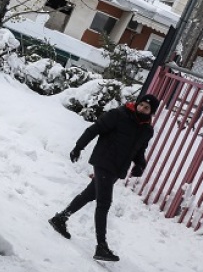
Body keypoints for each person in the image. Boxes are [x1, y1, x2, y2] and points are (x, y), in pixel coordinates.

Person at [47, 94, 159, 262]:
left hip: (117, 169)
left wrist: (140, 165)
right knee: (104, 203)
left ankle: (60, 218)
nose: (142, 108)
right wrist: (78, 147)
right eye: (141, 104)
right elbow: (95, 129)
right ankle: (101, 246)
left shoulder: (146, 130)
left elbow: (139, 150)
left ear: (151, 112)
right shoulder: (119, 115)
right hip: (104, 161)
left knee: (90, 194)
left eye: (147, 107)